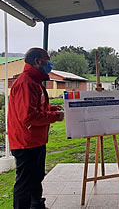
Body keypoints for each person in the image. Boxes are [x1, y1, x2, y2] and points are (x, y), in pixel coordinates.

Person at [8, 48, 64, 209]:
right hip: (25, 142)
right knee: (25, 183)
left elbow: (37, 107)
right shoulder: (26, 83)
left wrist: (53, 109)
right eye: (48, 59)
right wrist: (54, 117)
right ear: (38, 61)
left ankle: (36, 204)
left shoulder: (35, 81)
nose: (50, 63)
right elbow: (28, 116)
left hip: (36, 140)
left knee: (36, 177)